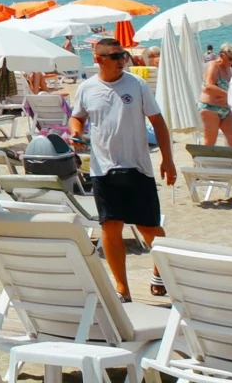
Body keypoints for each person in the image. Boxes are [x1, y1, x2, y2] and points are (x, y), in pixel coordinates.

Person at [70, 36, 176, 300]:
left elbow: (159, 123)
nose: (122, 61)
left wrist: (168, 159)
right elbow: (77, 116)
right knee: (111, 226)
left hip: (137, 167)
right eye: (115, 56)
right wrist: (75, 132)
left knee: (148, 227)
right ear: (99, 59)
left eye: (123, 55)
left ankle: (159, 270)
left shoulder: (137, 85)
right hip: (103, 169)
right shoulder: (87, 88)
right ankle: (122, 288)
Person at [201, 45, 232, 148]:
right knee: (210, 142)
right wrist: (228, 94)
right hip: (210, 108)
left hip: (225, 109)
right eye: (230, 58)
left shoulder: (229, 69)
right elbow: (208, 86)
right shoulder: (213, 66)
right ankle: (199, 164)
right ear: (222, 55)